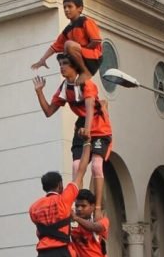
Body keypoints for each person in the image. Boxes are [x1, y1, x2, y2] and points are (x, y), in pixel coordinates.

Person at [33, 54, 113, 213]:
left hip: (98, 125)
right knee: (76, 166)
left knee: (97, 165)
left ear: (75, 67)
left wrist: (88, 131)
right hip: (82, 124)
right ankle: (79, 204)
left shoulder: (87, 84)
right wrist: (39, 92)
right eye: (61, 64)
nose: (62, 67)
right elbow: (49, 111)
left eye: (66, 64)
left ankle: (97, 207)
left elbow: (90, 108)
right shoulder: (64, 87)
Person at [31, 0, 104, 80]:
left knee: (69, 45)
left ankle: (85, 72)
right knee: (64, 55)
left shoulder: (85, 21)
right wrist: (42, 60)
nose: (66, 10)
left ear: (79, 9)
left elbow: (96, 41)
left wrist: (81, 51)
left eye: (69, 6)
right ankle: (73, 79)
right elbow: (55, 47)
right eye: (64, 7)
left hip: (94, 57)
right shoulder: (68, 29)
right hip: (83, 56)